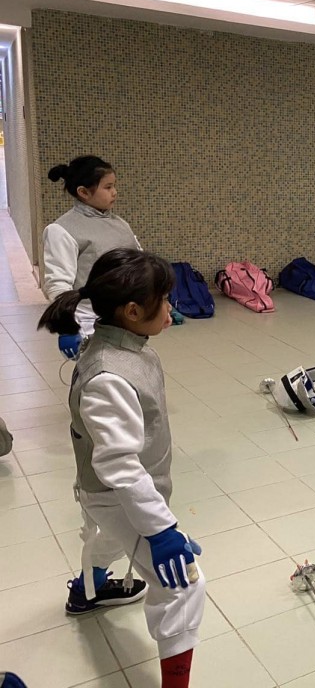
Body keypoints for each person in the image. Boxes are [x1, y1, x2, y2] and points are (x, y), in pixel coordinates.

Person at [36, 248, 203, 688]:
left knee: (108, 539)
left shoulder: (123, 346)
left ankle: (85, 593)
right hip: (115, 494)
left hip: (113, 494)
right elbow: (119, 465)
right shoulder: (108, 376)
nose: (170, 308)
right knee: (183, 584)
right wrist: (162, 530)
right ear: (131, 312)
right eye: (163, 300)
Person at [42, 156, 141, 357]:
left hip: (126, 317)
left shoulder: (120, 224)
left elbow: (139, 264)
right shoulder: (61, 230)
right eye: (108, 187)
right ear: (84, 192)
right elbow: (58, 284)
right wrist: (67, 327)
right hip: (88, 322)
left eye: (114, 186)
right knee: (98, 371)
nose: (115, 192)